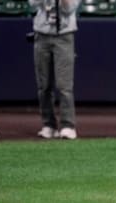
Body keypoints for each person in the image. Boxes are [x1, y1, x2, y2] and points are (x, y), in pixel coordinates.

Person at [29, 0, 81, 139]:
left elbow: (69, 8)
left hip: (64, 35)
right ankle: (48, 124)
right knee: (44, 85)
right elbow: (33, 4)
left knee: (64, 84)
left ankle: (67, 125)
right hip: (41, 34)